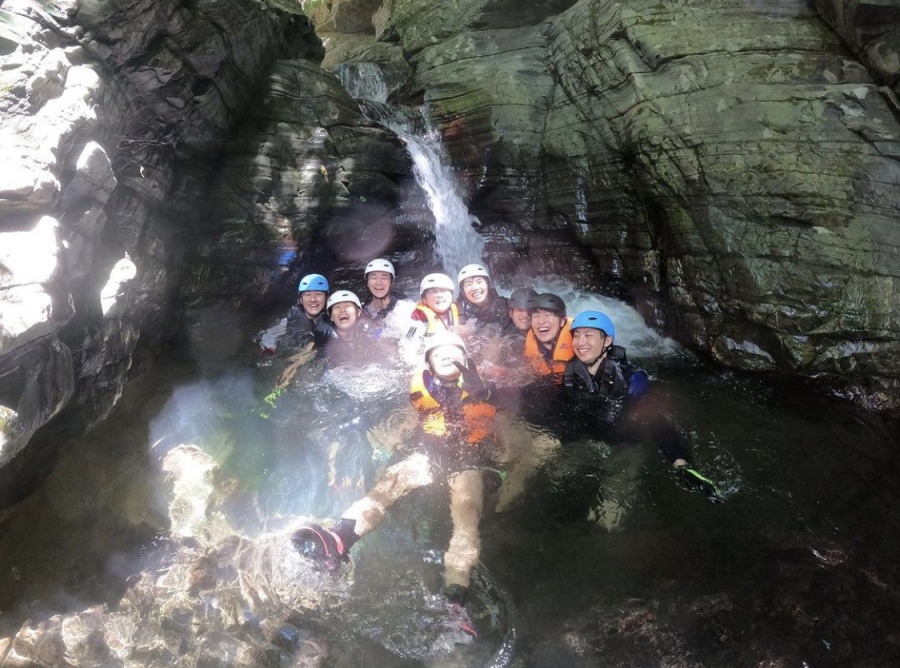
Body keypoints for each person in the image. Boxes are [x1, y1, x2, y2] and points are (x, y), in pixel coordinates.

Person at [293, 331, 503, 613]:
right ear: (429, 364)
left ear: (466, 358)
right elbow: (404, 420)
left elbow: (508, 419)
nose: (446, 357)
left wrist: (487, 396)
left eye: (454, 352)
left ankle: (456, 596)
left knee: (467, 514)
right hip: (429, 454)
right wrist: (389, 447)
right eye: (438, 354)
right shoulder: (419, 389)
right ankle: (338, 540)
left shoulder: (485, 386)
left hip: (469, 459)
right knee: (388, 485)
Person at [562, 310, 720, 502]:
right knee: (558, 475)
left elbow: (658, 422)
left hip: (625, 446)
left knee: (612, 500)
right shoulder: (573, 373)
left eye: (588, 335)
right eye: (576, 335)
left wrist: (680, 464)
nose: (580, 342)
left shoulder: (632, 382)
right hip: (588, 439)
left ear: (607, 341)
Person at [322, 290, 377, 367]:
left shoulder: (369, 332)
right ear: (331, 317)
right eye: (337, 307)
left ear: (358, 312)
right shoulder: (324, 341)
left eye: (348, 305)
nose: (342, 310)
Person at [523, 292, 574, 376]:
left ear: (562, 321)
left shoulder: (577, 339)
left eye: (548, 315)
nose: (541, 321)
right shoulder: (525, 342)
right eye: (536, 316)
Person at [283, 273, 335, 349]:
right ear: (301, 300)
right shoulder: (288, 320)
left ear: (327, 298)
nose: (313, 299)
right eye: (307, 294)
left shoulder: (334, 320)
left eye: (318, 294)